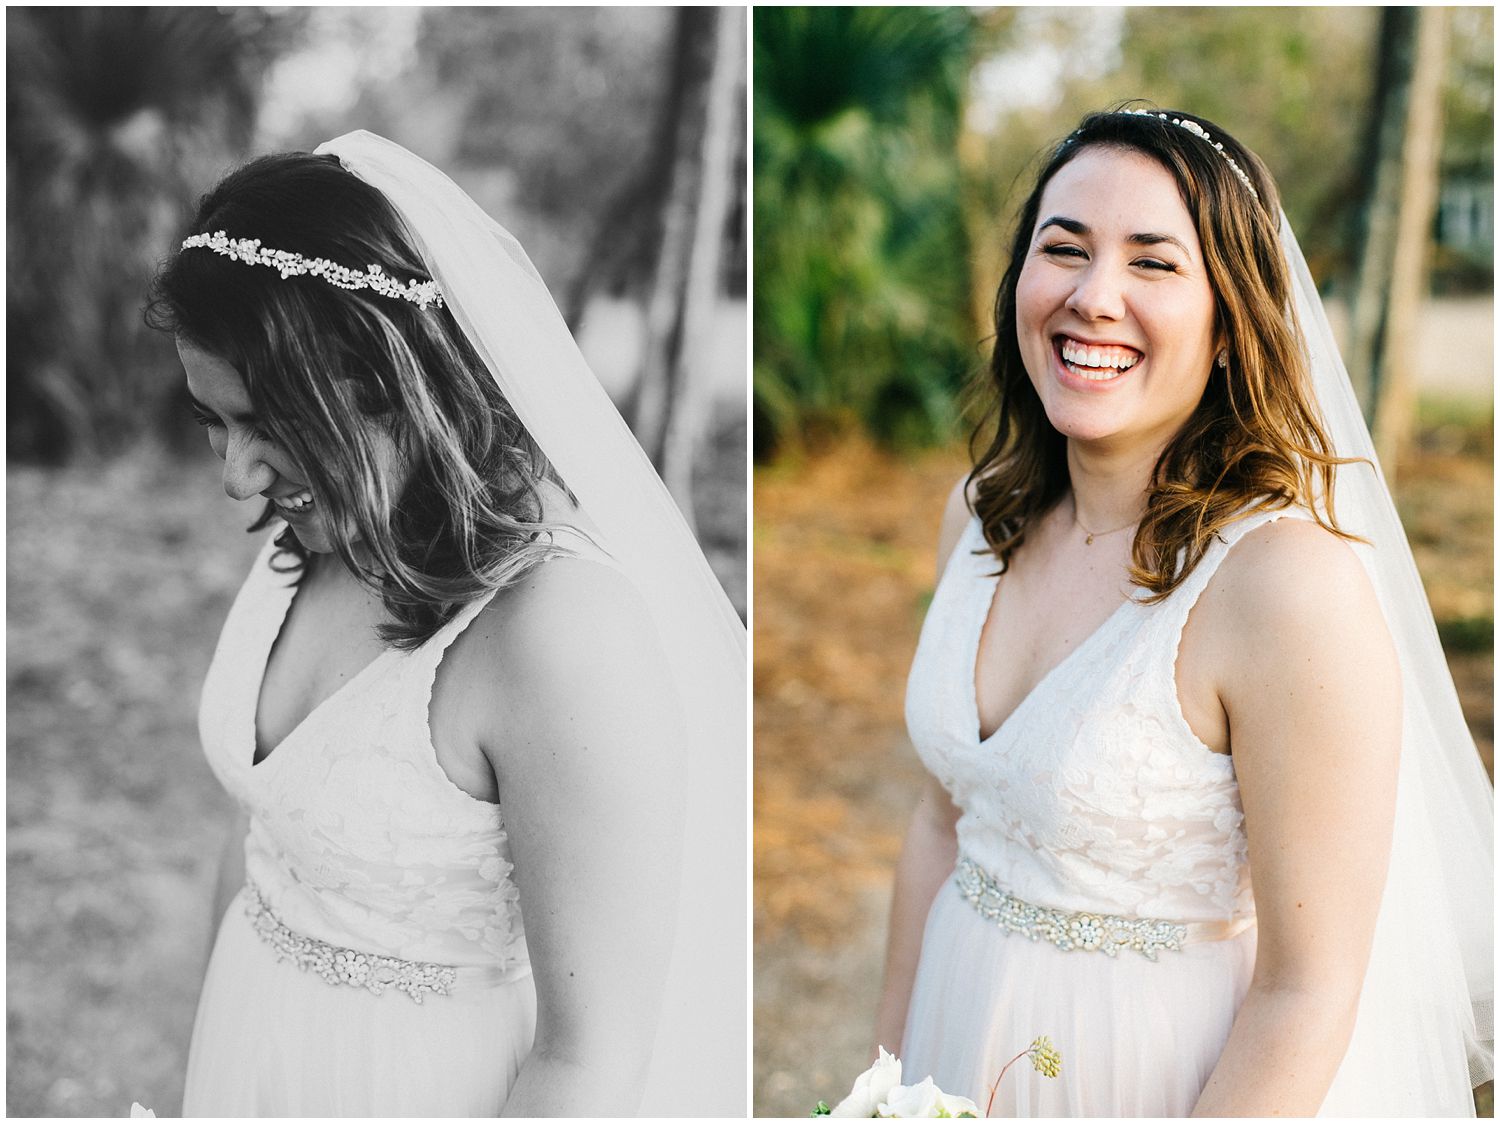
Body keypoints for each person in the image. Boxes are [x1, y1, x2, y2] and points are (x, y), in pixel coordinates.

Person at [876, 107, 1492, 1116]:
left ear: (1227, 323)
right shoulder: (978, 517)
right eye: (1062, 248)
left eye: (1154, 263)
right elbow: (941, 821)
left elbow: (1311, 987)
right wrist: (883, 1075)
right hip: (952, 1038)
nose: (1092, 296)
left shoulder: (1283, 584)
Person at [145, 131, 746, 1116]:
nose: (233, 475)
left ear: (388, 382)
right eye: (214, 420)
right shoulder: (310, 540)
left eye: (267, 422)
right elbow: (262, 836)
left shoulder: (556, 632)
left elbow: (593, 1060)